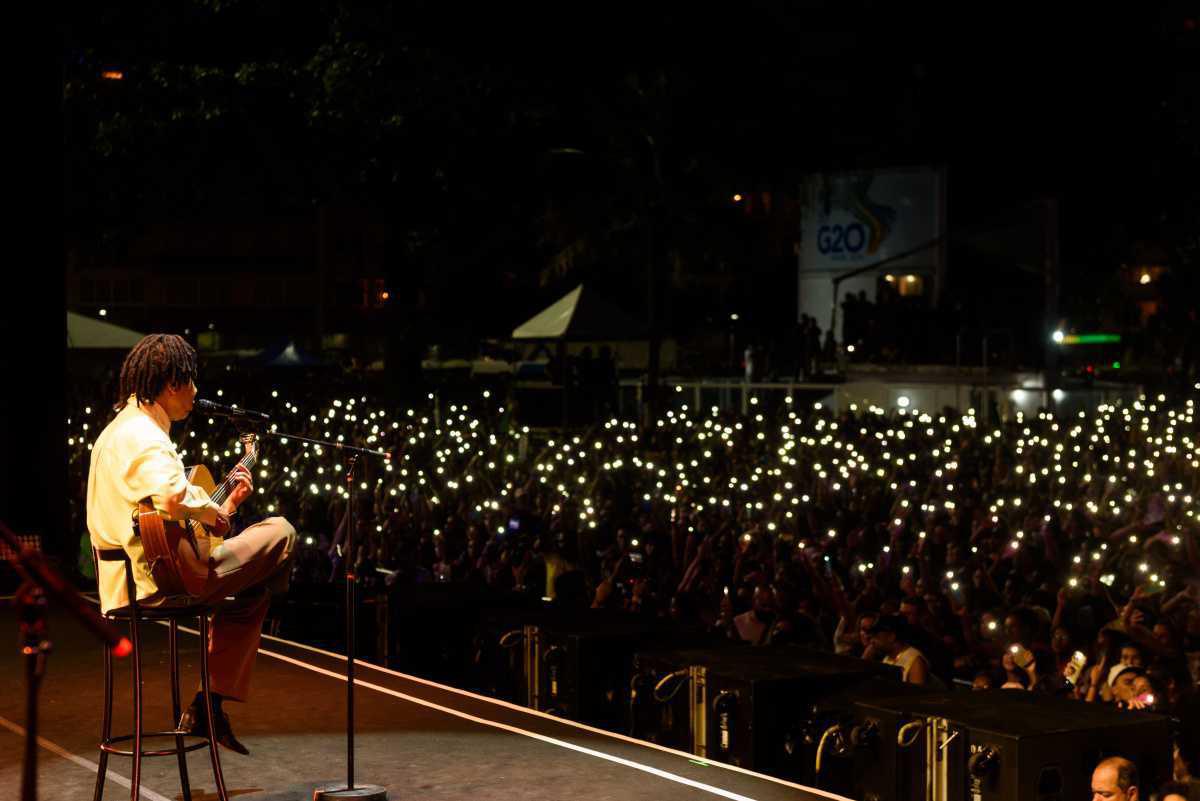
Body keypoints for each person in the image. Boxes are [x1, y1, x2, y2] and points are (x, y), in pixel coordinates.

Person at [87, 334, 297, 755]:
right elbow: (171, 497)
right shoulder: (143, 437)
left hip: (128, 581)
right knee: (282, 532)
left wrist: (225, 505)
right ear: (169, 385)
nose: (196, 392)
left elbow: (163, 518)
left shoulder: (117, 431)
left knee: (250, 592)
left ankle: (210, 704)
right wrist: (208, 511)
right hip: (160, 582)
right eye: (190, 381)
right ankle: (210, 700)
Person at [868, 614, 933, 686]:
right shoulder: (887, 658)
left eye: (876, 637)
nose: (872, 641)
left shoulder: (915, 662)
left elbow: (918, 696)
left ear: (891, 637)